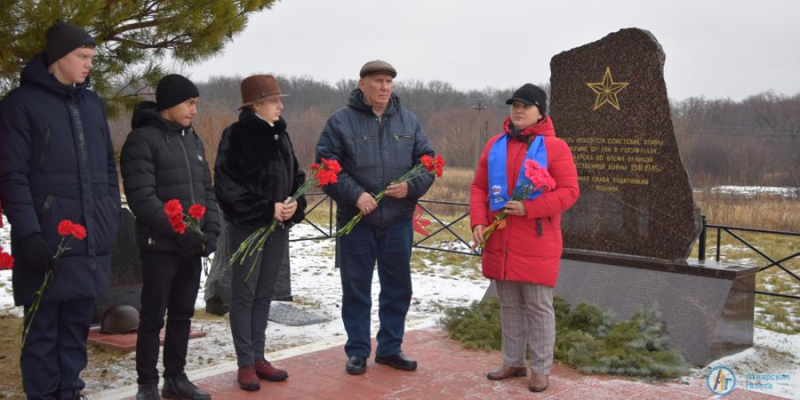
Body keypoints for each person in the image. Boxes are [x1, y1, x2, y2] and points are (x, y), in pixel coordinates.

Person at [0, 21, 121, 400]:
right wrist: (29, 233)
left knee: (76, 328)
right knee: (43, 332)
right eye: (82, 57)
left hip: (89, 238)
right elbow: (12, 175)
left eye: (91, 57)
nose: (89, 65)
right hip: (48, 238)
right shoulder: (20, 104)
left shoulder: (92, 102)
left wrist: (109, 216)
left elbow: (106, 166)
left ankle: (70, 391)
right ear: (58, 58)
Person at [316, 60, 435, 375]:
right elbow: (326, 169)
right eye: (378, 81)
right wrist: (355, 194)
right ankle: (357, 351)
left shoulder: (409, 122)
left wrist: (410, 187)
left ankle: (390, 349)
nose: (384, 87)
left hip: (397, 220)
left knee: (397, 287)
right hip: (357, 222)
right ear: (362, 84)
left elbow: (428, 164)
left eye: (389, 82)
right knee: (356, 288)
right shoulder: (340, 122)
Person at [469, 83, 579, 392]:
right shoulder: (495, 144)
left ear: (540, 111)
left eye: (525, 106)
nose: (518, 110)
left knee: (538, 307)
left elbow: (569, 192)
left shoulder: (555, 147)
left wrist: (530, 208)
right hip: (500, 240)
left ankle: (540, 369)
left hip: (536, 239)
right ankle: (513, 361)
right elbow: (479, 187)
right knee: (509, 305)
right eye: (514, 105)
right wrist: (478, 220)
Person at [120, 74, 220, 400]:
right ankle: (146, 384)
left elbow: (207, 191)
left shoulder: (194, 141)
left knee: (182, 314)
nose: (194, 111)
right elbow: (142, 199)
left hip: (191, 247)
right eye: (189, 104)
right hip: (159, 246)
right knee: (152, 317)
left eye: (195, 104)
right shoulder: (141, 141)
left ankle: (175, 378)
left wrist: (211, 231)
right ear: (169, 104)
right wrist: (183, 232)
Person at [214, 74, 305, 391]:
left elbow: (296, 175)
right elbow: (226, 187)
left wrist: (295, 202)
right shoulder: (236, 135)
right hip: (248, 228)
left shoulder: (282, 134)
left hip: (277, 229)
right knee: (245, 293)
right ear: (256, 105)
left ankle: (259, 356)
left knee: (265, 293)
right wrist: (266, 209)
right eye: (274, 101)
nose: (281, 106)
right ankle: (245, 363)